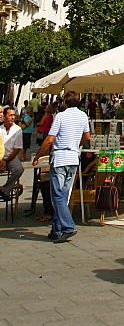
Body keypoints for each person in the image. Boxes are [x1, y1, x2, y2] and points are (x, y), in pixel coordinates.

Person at [32, 92, 90, 242]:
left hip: (60, 158)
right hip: (73, 159)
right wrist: (76, 145)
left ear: (65, 103)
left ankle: (68, 226)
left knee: (57, 195)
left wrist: (38, 156)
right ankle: (56, 229)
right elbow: (87, 137)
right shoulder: (83, 116)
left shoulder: (61, 116)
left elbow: (50, 139)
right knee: (63, 195)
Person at [0, 106, 24, 200]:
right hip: (0, 157)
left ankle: (6, 190)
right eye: (10, 115)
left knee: (19, 169)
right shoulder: (0, 129)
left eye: (14, 115)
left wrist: (6, 161)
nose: (13, 117)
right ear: (5, 116)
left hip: (11, 157)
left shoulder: (17, 130)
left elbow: (17, 149)